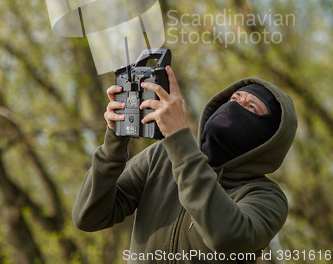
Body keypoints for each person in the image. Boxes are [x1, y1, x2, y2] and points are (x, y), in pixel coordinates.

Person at [72, 66, 297, 263]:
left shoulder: (267, 197)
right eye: (234, 99)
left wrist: (178, 137)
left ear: (268, 137)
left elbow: (226, 236)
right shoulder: (162, 155)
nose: (234, 108)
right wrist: (114, 141)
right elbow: (89, 216)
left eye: (251, 108)